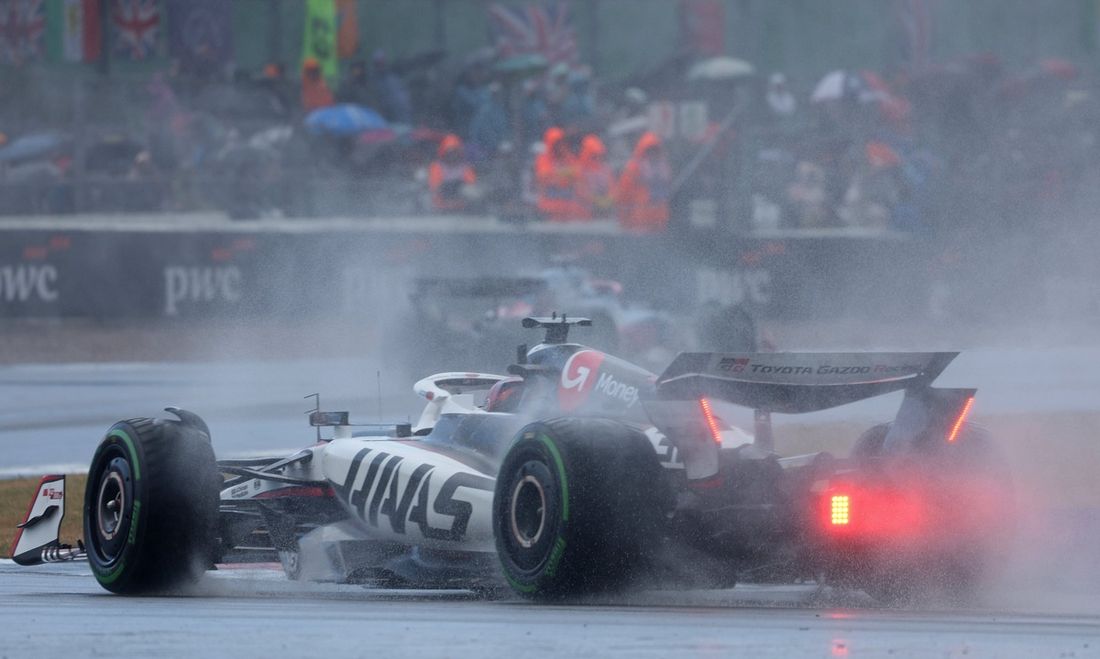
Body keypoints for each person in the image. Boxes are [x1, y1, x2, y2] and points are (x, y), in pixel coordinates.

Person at [615, 131, 671, 232]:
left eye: (655, 150)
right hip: (639, 221)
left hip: (659, 221)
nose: (652, 154)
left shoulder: (663, 167)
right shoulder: (633, 168)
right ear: (643, 151)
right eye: (649, 150)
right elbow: (624, 194)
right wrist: (624, 219)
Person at [534, 126, 585, 221]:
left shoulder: (568, 157)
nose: (560, 145)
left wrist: (562, 176)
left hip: (569, 208)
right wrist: (565, 174)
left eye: (561, 142)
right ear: (551, 144)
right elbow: (544, 176)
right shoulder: (544, 158)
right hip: (549, 208)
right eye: (557, 143)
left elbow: (578, 174)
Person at [428, 134, 477, 211]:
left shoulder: (465, 167)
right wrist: (448, 188)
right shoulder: (437, 166)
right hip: (440, 203)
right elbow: (434, 186)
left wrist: (458, 187)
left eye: (455, 152)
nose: (452, 155)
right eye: (450, 152)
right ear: (444, 152)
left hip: (462, 204)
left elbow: (471, 184)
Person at [575, 134, 614, 219]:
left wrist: (609, 198)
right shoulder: (580, 169)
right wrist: (595, 200)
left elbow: (612, 187)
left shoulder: (605, 169)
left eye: (599, 155)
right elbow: (579, 190)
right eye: (594, 156)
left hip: (604, 212)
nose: (598, 158)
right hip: (583, 215)